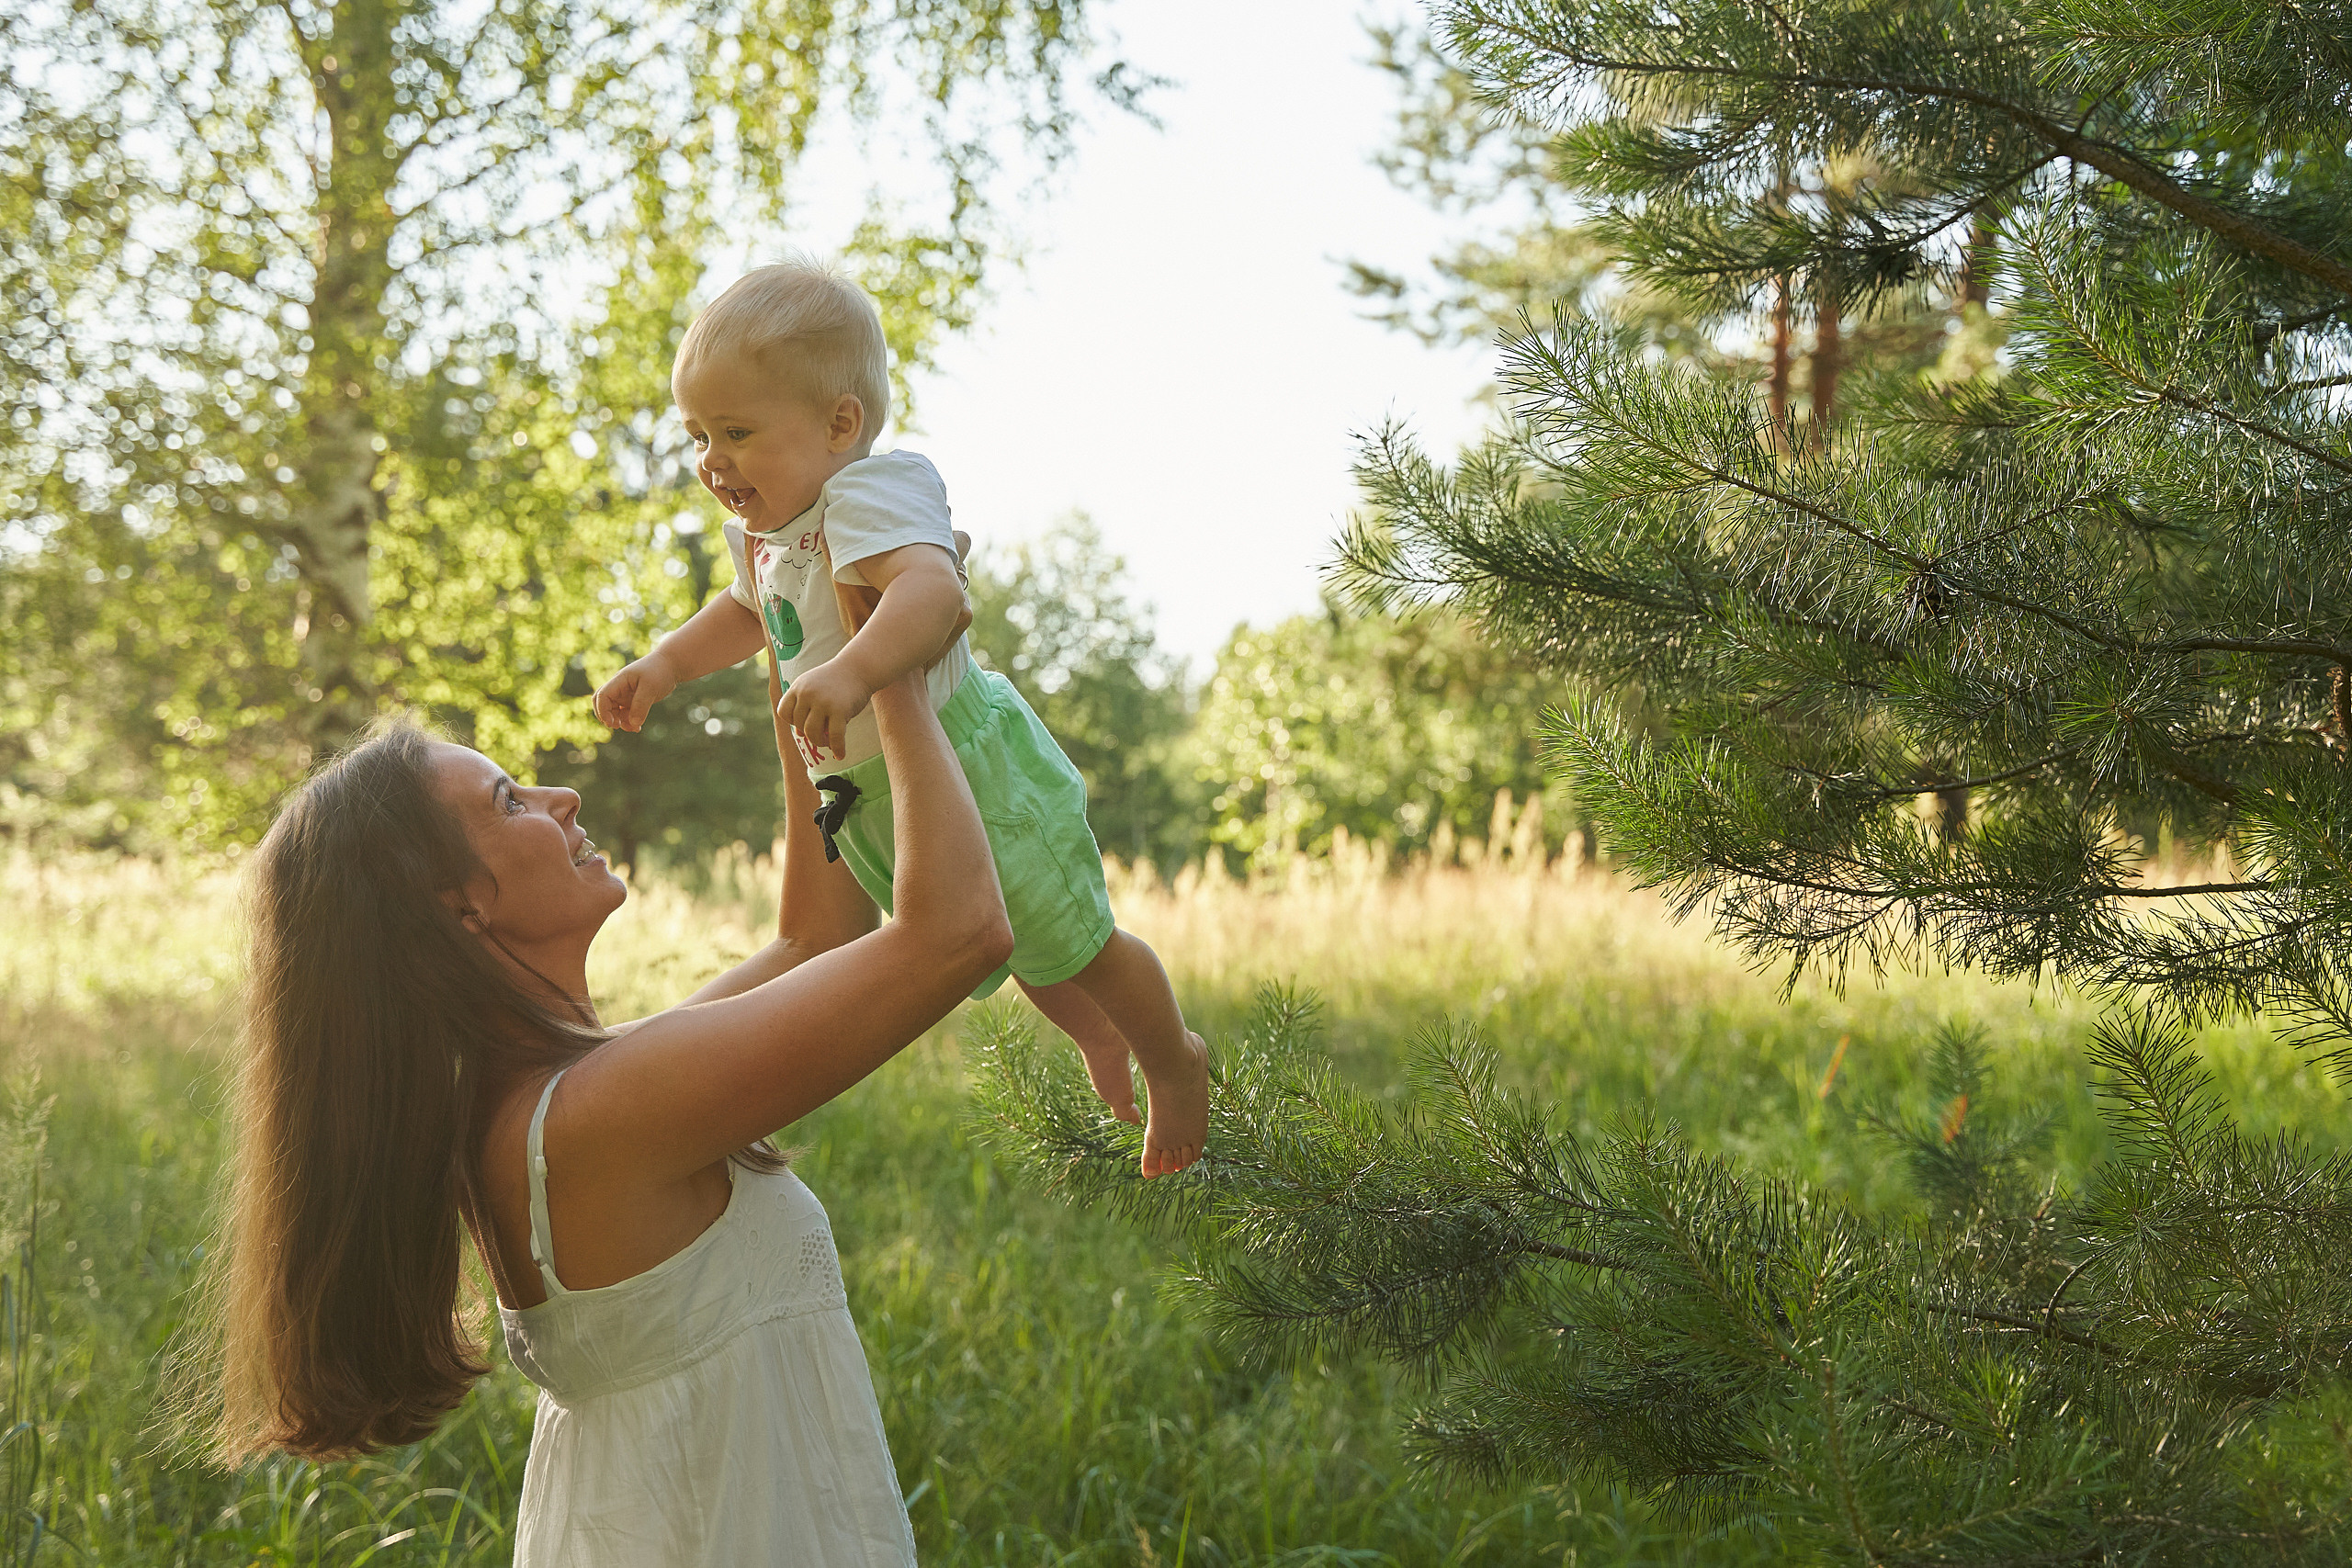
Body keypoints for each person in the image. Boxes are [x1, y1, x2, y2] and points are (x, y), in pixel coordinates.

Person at [194, 667, 1012, 1565]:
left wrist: (797, 638)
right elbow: (958, 933)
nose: (563, 796)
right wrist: (890, 669)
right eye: (510, 802)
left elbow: (817, 936)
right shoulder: (602, 1112)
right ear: (459, 907)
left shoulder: (557, 1096)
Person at [593, 258, 1208, 1178]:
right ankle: (1097, 1040)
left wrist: (850, 673)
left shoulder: (872, 493)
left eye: (736, 432)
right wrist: (664, 666)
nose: (711, 462)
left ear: (841, 424)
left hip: (967, 765)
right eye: (697, 435)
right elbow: (745, 616)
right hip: (872, 790)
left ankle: (1175, 1060)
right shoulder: (767, 536)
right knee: (1032, 954)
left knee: (1076, 935)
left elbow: (931, 593)